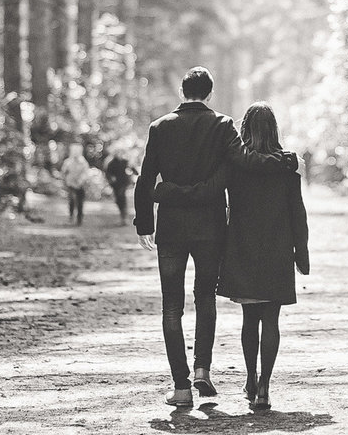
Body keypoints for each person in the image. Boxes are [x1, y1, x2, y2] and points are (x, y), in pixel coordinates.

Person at [134, 66, 299, 408]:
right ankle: (202, 370)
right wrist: (284, 161)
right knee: (205, 298)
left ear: (182, 92)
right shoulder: (222, 125)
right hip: (209, 228)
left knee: (171, 306)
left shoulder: (160, 127)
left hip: (171, 228)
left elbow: (145, 178)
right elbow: (245, 161)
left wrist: (145, 223)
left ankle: (181, 388)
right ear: (210, 94)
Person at [59, 142, 92, 225]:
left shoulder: (83, 162)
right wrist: (65, 181)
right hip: (71, 184)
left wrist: (81, 180)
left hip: (81, 185)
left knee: (80, 202)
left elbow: (86, 173)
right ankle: (71, 217)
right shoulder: (68, 162)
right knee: (72, 200)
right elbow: (63, 172)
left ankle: (79, 218)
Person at [104, 147, 136, 226]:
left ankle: (124, 218)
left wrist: (133, 173)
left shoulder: (125, 161)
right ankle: (123, 217)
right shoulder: (111, 163)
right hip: (115, 184)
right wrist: (111, 179)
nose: (119, 154)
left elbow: (134, 170)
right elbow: (108, 173)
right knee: (118, 199)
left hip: (123, 183)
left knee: (122, 198)